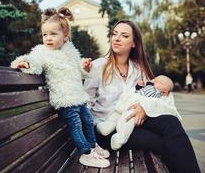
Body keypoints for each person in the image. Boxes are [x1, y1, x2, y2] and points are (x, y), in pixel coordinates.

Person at [84, 20, 200, 173]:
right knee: (163, 143)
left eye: (124, 35)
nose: (117, 38)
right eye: (114, 34)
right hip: (107, 131)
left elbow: (154, 96)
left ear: (133, 43)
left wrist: (144, 109)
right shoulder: (98, 67)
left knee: (171, 123)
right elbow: (85, 105)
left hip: (134, 121)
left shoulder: (138, 69)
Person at [11, 7, 110, 168]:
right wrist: (26, 63)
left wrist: (85, 66)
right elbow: (34, 62)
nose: (48, 38)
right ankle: (85, 153)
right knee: (76, 124)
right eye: (45, 34)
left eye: (53, 34)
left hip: (78, 96)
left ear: (65, 36)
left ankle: (92, 146)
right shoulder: (42, 52)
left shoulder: (70, 51)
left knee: (88, 120)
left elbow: (80, 72)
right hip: (64, 99)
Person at [96, 75, 182, 150]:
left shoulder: (156, 92)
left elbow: (167, 105)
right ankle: (105, 126)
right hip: (123, 107)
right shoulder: (149, 87)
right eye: (160, 89)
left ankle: (120, 137)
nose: (161, 93)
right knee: (115, 117)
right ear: (154, 82)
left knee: (127, 122)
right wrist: (140, 86)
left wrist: (146, 106)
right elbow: (136, 90)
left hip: (133, 111)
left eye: (164, 92)